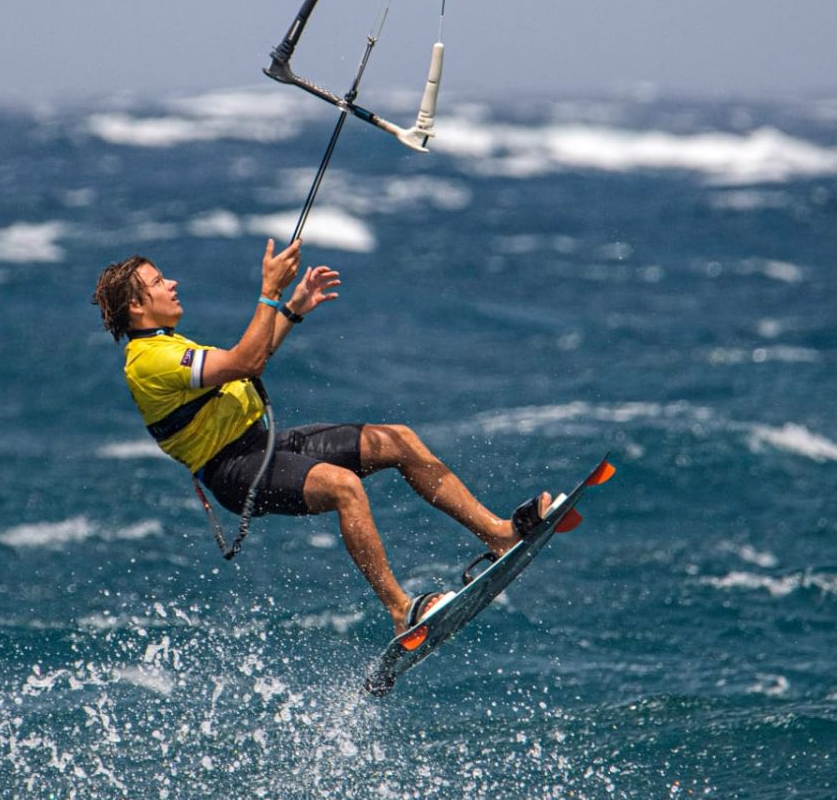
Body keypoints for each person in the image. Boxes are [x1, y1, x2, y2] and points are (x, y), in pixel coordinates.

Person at [92, 237, 550, 635]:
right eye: (158, 282)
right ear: (136, 306)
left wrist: (291, 308)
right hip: (234, 469)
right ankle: (400, 609)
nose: (171, 285)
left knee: (397, 440)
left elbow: (247, 361)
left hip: (262, 442)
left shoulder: (169, 342)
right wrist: (269, 291)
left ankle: (498, 534)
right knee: (343, 487)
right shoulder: (147, 360)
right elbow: (245, 364)